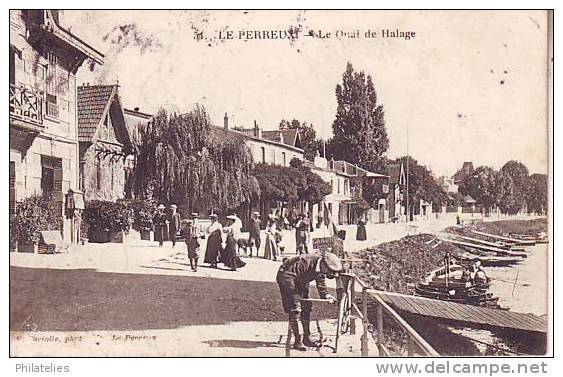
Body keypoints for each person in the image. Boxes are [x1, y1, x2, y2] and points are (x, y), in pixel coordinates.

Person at [276, 253, 342, 351]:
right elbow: (288, 276)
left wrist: (327, 296)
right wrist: (295, 296)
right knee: (295, 309)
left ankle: (306, 338)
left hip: (301, 279)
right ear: (323, 265)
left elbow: (321, 285)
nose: (329, 274)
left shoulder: (321, 269)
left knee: (306, 306)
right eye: (329, 271)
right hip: (286, 276)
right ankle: (297, 341)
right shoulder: (304, 262)